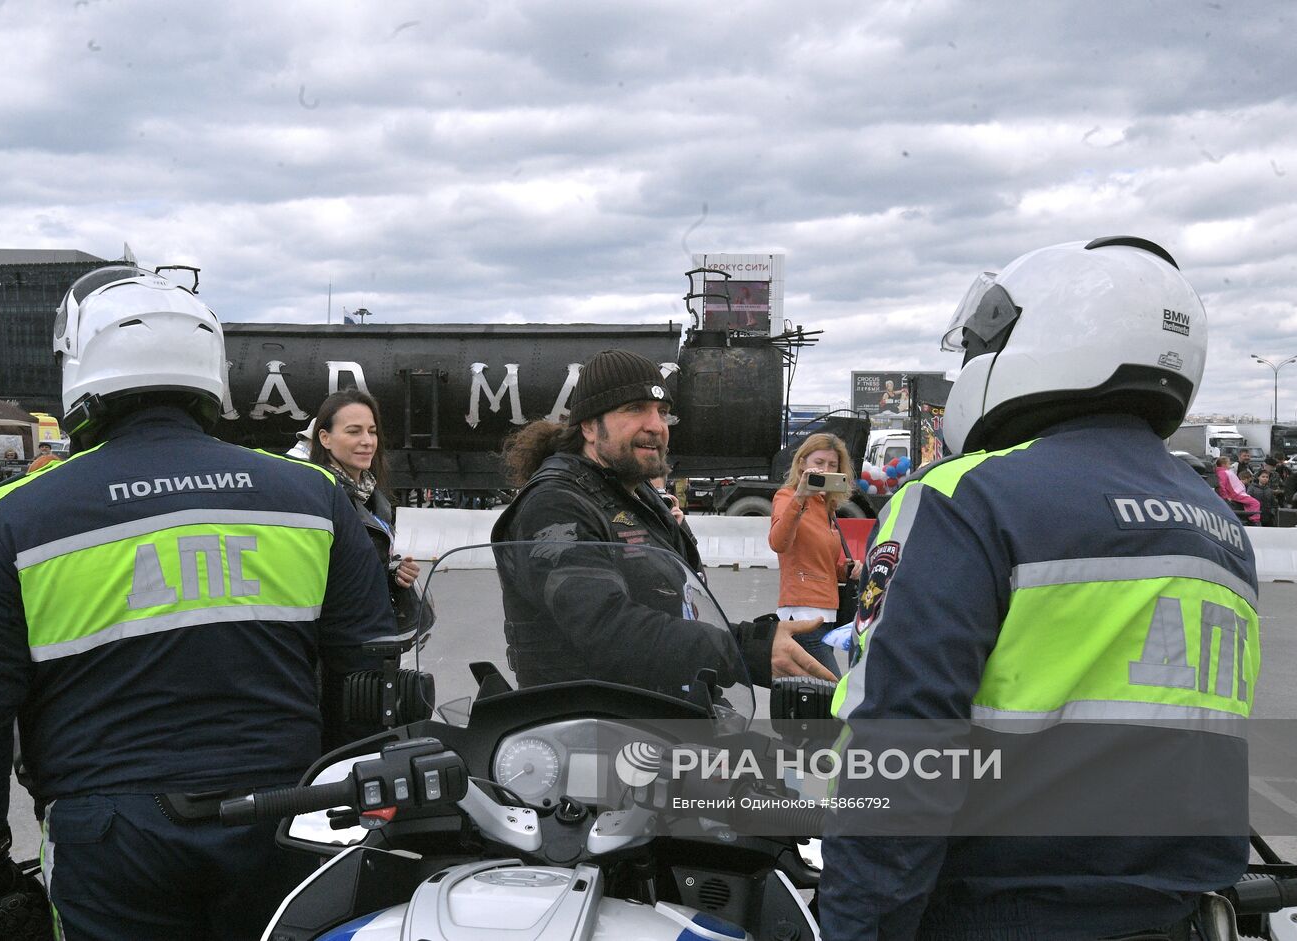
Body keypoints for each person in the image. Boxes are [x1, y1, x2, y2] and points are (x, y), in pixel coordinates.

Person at [0, 265, 396, 941]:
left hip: (109, 840)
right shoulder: (313, 497)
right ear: (210, 373)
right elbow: (370, 680)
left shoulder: (14, 516)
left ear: (83, 373)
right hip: (286, 818)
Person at [819, 237, 1259, 940]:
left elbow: (900, 753)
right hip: (1181, 915)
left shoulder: (968, 497)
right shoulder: (1218, 527)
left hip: (1001, 913)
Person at [492, 348, 835, 693]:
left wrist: (755, 638)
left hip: (658, 715)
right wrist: (745, 647)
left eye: (663, 412)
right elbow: (606, 628)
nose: (656, 426)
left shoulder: (639, 496)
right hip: (584, 727)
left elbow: (679, 608)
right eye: (634, 409)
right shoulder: (556, 504)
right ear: (589, 426)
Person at [308, 389, 422, 638]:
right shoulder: (316, 497)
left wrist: (394, 573)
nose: (367, 441)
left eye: (372, 431)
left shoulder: (373, 496)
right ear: (325, 438)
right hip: (338, 641)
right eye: (353, 431)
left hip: (373, 635)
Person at [767, 434, 862, 675]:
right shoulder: (787, 497)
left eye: (832, 465)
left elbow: (824, 563)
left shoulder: (826, 507)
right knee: (831, 691)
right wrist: (800, 496)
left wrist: (847, 568)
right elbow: (778, 543)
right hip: (802, 613)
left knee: (812, 694)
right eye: (819, 463)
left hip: (827, 614)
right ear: (802, 463)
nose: (825, 469)